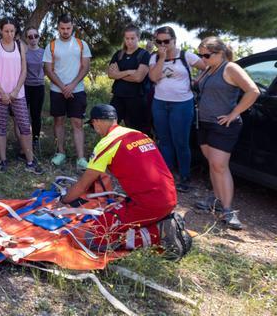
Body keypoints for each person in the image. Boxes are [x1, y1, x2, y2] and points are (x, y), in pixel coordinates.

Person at [61, 104, 190, 259]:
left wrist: (64, 200)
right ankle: (159, 223)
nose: (94, 129)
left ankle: (157, 233)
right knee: (118, 217)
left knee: (96, 238)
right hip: (168, 196)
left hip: (149, 202)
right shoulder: (139, 134)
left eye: (93, 125)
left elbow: (84, 183)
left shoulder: (107, 143)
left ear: (96, 121)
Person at [193, 37, 259, 230]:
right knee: (213, 164)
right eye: (200, 55)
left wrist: (234, 113)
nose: (202, 58)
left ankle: (228, 210)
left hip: (222, 125)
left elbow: (253, 91)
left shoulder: (230, 68)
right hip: (204, 122)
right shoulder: (209, 68)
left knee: (220, 166)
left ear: (220, 53)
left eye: (206, 55)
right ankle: (215, 198)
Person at [148, 26, 205, 192]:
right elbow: (153, 77)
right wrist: (161, 57)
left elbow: (207, 66)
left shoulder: (185, 55)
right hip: (160, 103)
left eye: (166, 41)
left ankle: (185, 176)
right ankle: (167, 176)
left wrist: (197, 81)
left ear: (174, 40)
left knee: (180, 141)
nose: (163, 44)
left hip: (182, 104)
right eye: (159, 41)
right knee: (164, 141)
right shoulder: (154, 57)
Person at [0, 18, 43, 174]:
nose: (9, 34)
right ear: (1, 30)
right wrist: (3, 93)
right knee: (2, 126)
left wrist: (16, 90)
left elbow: (24, 70)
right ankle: (3, 161)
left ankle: (30, 161)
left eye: (12, 31)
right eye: (6, 31)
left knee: (25, 126)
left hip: (18, 94)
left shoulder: (20, 46)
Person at [43, 14, 92, 169]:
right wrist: (63, 87)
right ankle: (60, 153)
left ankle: (81, 158)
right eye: (62, 28)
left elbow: (85, 67)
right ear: (58, 27)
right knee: (58, 121)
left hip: (76, 90)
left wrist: (71, 85)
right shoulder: (51, 45)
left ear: (72, 27)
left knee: (77, 123)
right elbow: (48, 70)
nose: (65, 31)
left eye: (68, 28)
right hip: (57, 90)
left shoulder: (81, 44)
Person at [107, 25, 152, 135]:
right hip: (118, 96)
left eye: (132, 38)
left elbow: (138, 78)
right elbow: (110, 74)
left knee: (138, 131)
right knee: (110, 126)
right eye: (127, 38)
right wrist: (128, 72)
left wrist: (119, 74)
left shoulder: (144, 54)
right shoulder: (118, 54)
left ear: (138, 38)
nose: (129, 41)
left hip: (136, 98)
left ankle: (142, 152)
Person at [23, 27, 45, 151]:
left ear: (39, 37)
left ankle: (35, 139)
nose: (33, 39)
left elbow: (47, 69)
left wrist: (40, 77)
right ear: (26, 39)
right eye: (30, 37)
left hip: (39, 87)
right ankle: (24, 140)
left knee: (36, 115)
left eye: (35, 36)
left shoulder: (43, 52)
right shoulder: (24, 53)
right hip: (25, 86)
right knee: (24, 115)